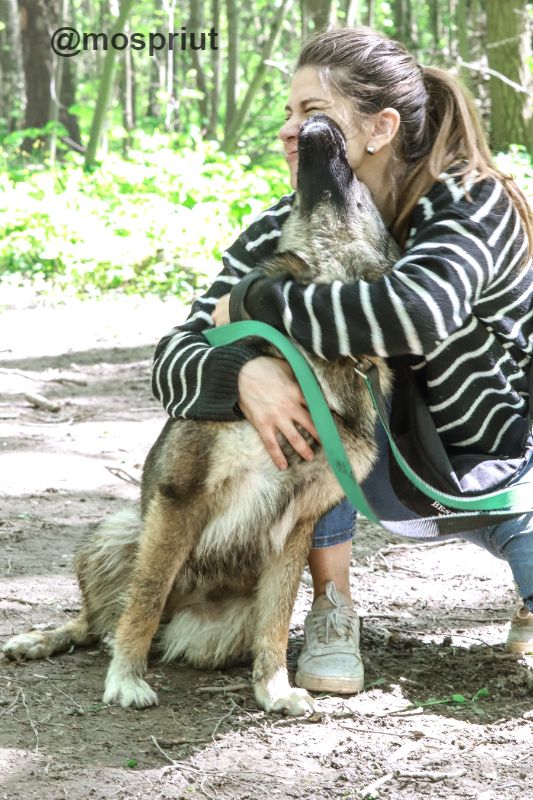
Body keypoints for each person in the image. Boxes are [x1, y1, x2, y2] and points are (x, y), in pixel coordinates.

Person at [152, 27, 533, 694]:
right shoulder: (287, 221)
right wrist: (243, 373)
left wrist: (256, 302)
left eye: (312, 114)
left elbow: (411, 314)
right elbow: (174, 355)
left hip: (494, 461)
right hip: (382, 464)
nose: (287, 130)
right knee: (295, 380)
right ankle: (333, 606)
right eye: (287, 112)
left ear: (380, 128)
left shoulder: (473, 200)